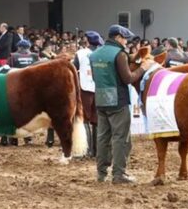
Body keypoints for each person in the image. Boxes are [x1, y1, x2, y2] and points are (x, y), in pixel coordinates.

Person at [90, 25, 153, 184]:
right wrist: (143, 68)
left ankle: (101, 173)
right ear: (118, 37)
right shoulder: (119, 54)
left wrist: (134, 58)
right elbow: (128, 78)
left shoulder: (95, 54)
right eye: (125, 38)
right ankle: (119, 174)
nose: (126, 42)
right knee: (121, 138)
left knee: (103, 137)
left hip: (101, 98)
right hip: (118, 100)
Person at [58, 30, 102, 156]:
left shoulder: (81, 53)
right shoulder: (101, 53)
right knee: (96, 119)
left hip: (85, 88)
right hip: (99, 88)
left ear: (87, 41)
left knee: (85, 119)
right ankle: (96, 150)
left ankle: (87, 149)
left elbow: (72, 68)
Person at [5, 39, 40, 146]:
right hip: (31, 89)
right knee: (29, 113)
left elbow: (7, 70)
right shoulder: (35, 56)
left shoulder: (13, 56)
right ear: (28, 47)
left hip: (15, 88)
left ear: (19, 47)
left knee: (13, 112)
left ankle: (13, 138)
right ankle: (28, 138)